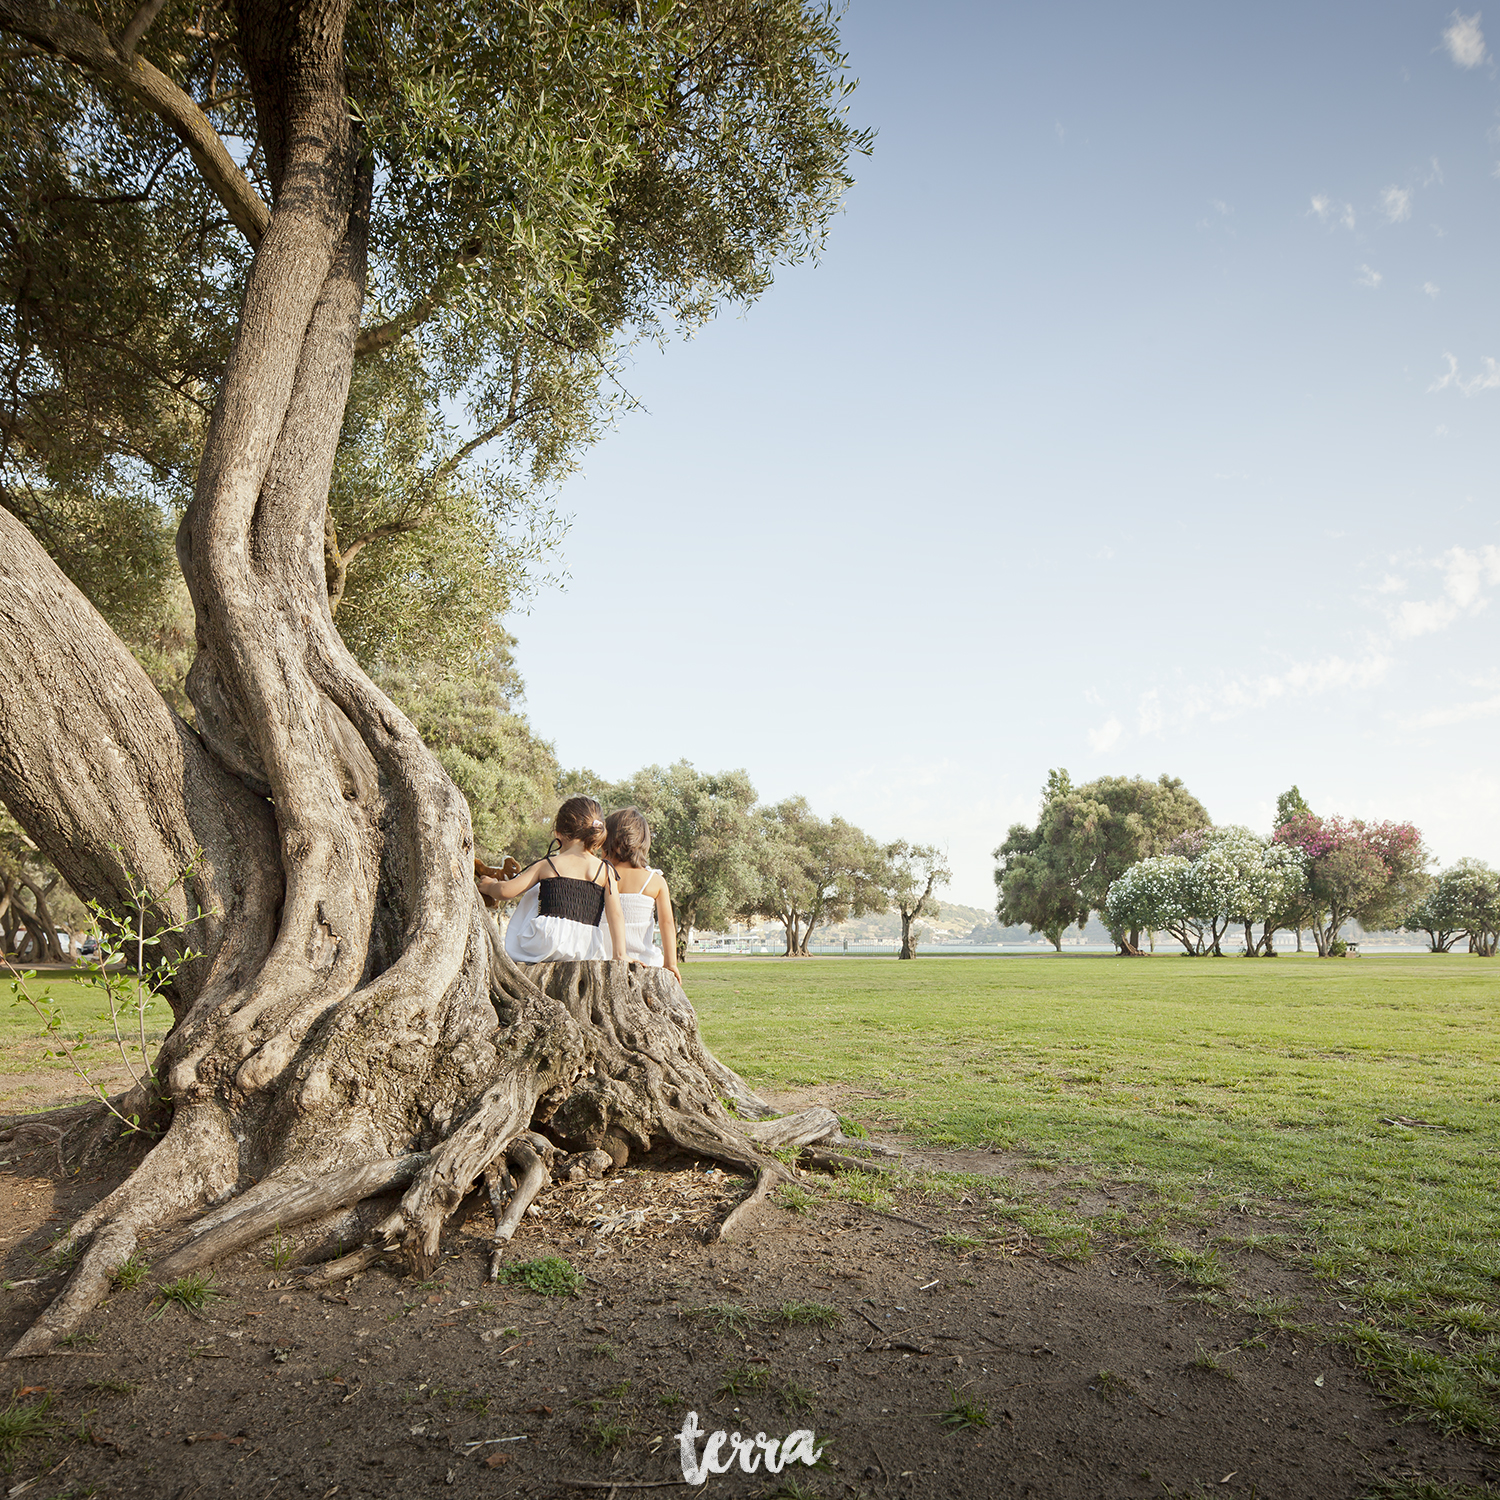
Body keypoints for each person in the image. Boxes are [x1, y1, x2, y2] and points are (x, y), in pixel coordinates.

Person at [480, 796, 627, 964]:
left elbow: (505, 892)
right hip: (586, 946)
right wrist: (620, 954)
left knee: (534, 893)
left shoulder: (548, 864)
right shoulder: (605, 870)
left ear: (559, 834)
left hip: (545, 941)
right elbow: (615, 914)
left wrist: (489, 886)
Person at [602, 807, 681, 982]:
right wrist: (671, 963)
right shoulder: (655, 881)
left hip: (601, 960)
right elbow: (667, 922)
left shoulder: (598, 875)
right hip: (644, 963)